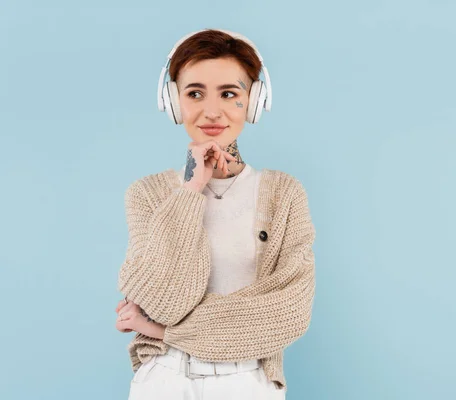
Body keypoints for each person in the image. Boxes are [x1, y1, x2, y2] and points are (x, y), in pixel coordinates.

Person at [114, 29, 316, 400]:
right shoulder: (147, 194)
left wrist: (163, 330)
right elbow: (163, 300)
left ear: (254, 101)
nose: (211, 111)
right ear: (173, 101)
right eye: (194, 94)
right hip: (164, 379)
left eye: (229, 93)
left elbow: (286, 314)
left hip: (248, 380)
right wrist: (191, 189)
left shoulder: (284, 194)